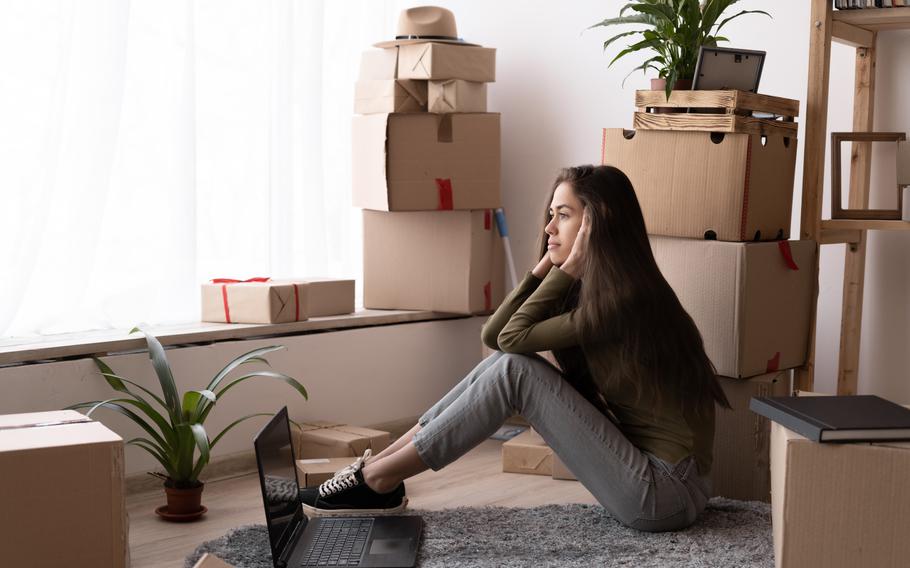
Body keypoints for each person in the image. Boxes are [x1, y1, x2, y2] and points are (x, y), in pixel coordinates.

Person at [300, 164, 731, 532]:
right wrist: (544, 268)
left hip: (665, 493)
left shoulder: (626, 302)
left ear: (597, 224)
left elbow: (509, 341)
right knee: (508, 364)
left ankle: (376, 479)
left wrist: (558, 272)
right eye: (551, 215)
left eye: (563, 216)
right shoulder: (603, 294)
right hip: (657, 482)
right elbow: (494, 337)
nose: (549, 228)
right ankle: (377, 474)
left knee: (514, 371)